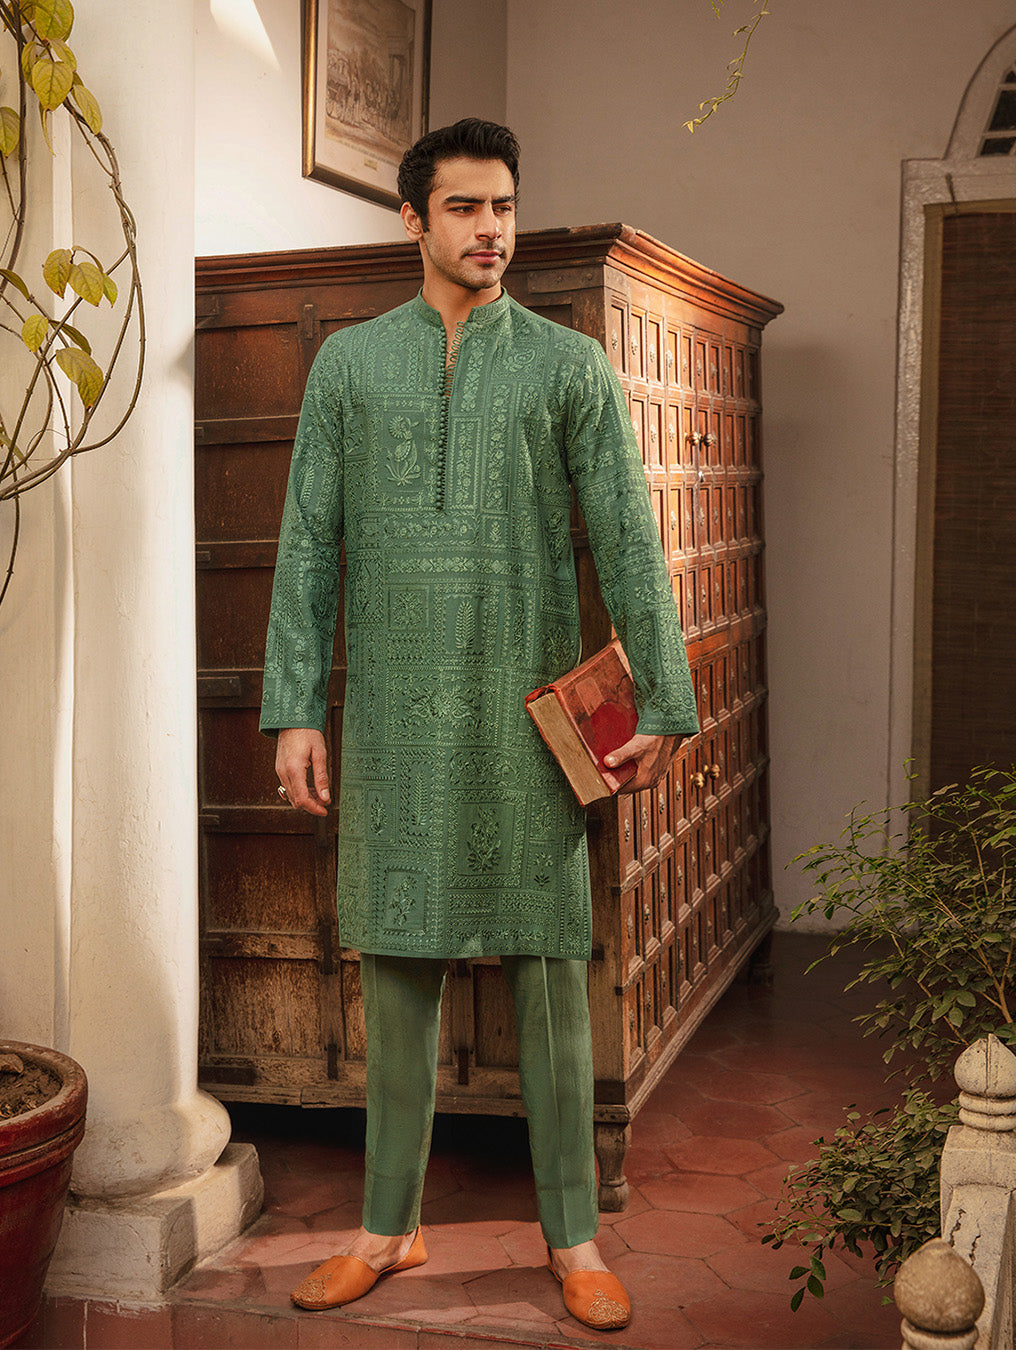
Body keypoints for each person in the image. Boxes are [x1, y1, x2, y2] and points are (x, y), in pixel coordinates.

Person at [261, 117, 700, 1333]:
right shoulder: (349, 367)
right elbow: (307, 544)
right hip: (392, 715)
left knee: (552, 972)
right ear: (413, 218)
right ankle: (385, 1227)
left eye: (504, 205)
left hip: (525, 714)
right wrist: (295, 708)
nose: (491, 228)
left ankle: (573, 1236)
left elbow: (629, 538)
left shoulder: (568, 368)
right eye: (464, 207)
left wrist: (665, 699)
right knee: (397, 965)